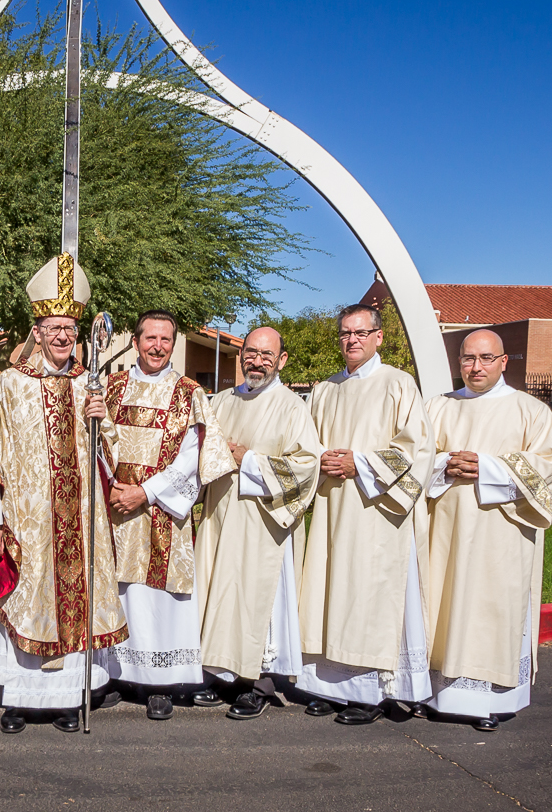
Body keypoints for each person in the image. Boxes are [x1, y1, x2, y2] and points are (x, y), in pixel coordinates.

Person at [0, 254, 123, 734]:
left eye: (70, 327)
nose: (63, 336)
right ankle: (21, 703)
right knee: (28, 602)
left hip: (80, 524)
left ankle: (69, 700)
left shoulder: (89, 386)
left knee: (74, 603)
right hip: (28, 524)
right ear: (38, 330)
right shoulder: (10, 386)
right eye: (53, 327)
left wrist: (101, 418)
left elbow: (113, 457)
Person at [297, 303, 435, 725]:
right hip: (331, 506)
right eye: (344, 333)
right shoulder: (327, 388)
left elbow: (417, 449)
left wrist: (360, 464)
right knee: (330, 589)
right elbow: (307, 442)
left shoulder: (398, 384)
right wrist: (321, 460)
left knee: (367, 592)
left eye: (360, 332)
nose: (351, 340)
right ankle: (330, 687)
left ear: (378, 337)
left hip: (376, 509)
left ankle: (373, 692)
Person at [423, 329, 552, 731]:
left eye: (486, 358)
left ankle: (488, 701)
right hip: (444, 535)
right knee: (443, 604)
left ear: (504, 362)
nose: (476, 367)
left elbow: (548, 467)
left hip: (500, 536)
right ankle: (436, 694)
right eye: (468, 358)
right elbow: (415, 459)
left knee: (490, 608)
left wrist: (486, 467)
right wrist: (442, 466)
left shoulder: (530, 411)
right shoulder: (436, 407)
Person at [101, 311, 233, 720]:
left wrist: (146, 492)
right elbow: (96, 441)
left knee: (158, 596)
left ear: (173, 344)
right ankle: (114, 674)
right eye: (150, 338)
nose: (157, 346)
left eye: (165, 339)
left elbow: (192, 457)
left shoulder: (189, 392)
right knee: (117, 589)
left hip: (159, 507)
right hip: (115, 504)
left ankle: (162, 682)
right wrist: (113, 487)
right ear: (136, 341)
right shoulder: (112, 386)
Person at [193, 326, 322, 719]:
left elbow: (306, 467)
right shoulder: (224, 401)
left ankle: (262, 682)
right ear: (241, 355)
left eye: (267, 355)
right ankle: (223, 676)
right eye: (251, 353)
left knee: (258, 600)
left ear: (281, 360)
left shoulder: (292, 407)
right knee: (222, 592)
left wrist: (248, 459)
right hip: (221, 516)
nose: (257, 361)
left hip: (264, 524)